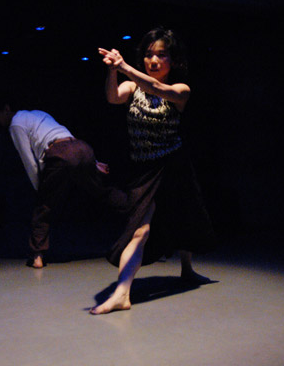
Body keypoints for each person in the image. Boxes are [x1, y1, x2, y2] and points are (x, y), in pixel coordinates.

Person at [91, 27, 216, 314]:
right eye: (148, 55)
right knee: (140, 229)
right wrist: (113, 70)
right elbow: (113, 97)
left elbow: (158, 89)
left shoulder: (181, 90)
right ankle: (122, 293)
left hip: (174, 165)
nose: (153, 60)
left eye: (161, 55)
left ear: (174, 60)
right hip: (145, 170)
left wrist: (125, 66)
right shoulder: (132, 87)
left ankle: (186, 268)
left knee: (186, 217)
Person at [0, 100, 127, 268]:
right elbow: (66, 136)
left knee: (44, 206)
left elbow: (29, 161)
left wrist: (39, 189)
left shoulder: (16, 124)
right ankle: (138, 214)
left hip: (60, 153)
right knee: (103, 191)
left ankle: (37, 256)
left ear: (6, 108)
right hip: (81, 148)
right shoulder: (38, 113)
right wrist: (94, 162)